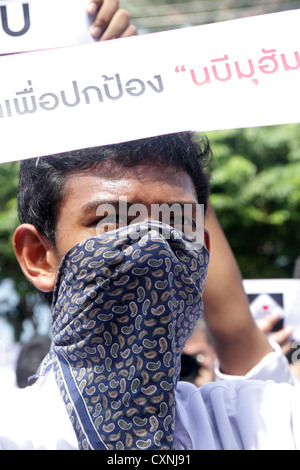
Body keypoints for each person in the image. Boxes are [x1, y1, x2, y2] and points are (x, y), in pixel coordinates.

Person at [0, 131, 298, 451]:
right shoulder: (15, 434)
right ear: (38, 256)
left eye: (177, 222)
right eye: (112, 221)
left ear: (203, 253)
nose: (153, 244)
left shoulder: (263, 421)